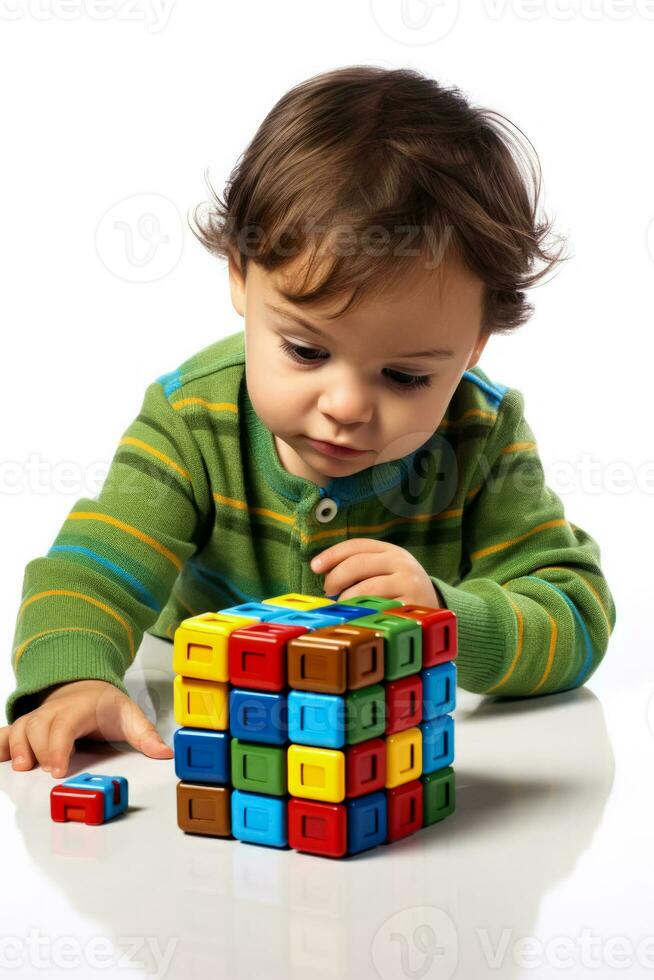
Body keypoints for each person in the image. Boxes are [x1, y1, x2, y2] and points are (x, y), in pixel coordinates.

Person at [0, 65, 617, 779]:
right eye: (306, 350)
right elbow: (90, 571)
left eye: (408, 376)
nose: (347, 406)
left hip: (382, 741)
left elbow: (574, 612)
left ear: (476, 344)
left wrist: (446, 619)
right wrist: (72, 680)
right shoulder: (191, 419)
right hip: (212, 719)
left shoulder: (483, 434)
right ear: (239, 273)